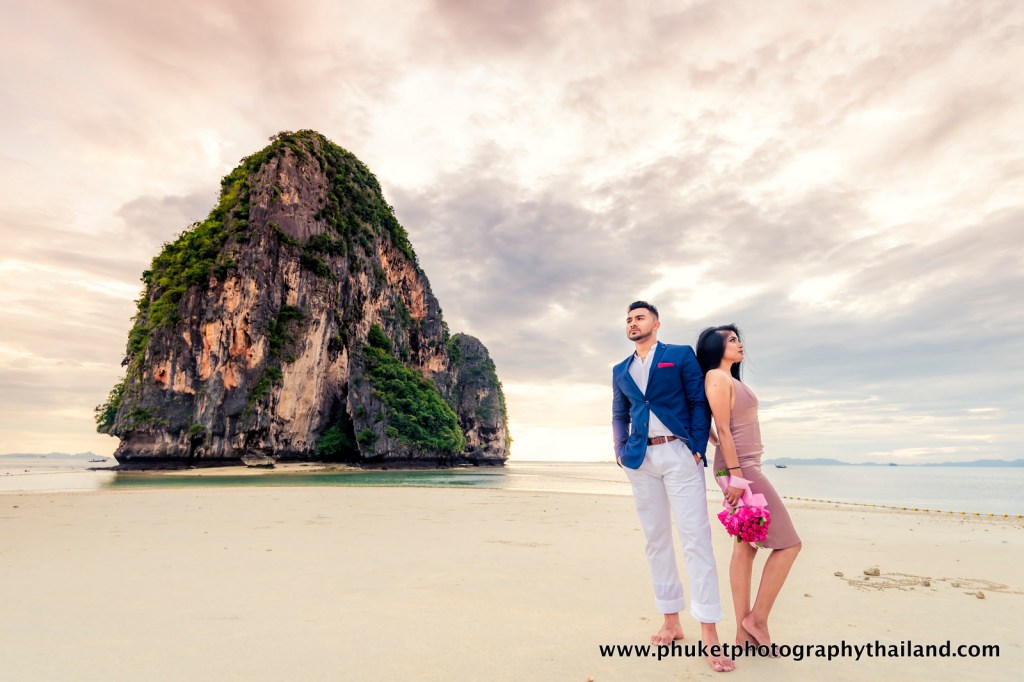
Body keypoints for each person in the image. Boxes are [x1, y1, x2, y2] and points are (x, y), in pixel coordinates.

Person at [613, 301, 735, 673]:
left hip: (680, 454)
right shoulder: (621, 369)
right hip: (641, 460)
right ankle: (671, 620)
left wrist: (697, 447)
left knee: (696, 539)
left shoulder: (679, 355)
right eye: (629, 319)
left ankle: (710, 632)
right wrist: (619, 449)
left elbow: (699, 403)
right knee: (656, 539)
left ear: (656, 323)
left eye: (640, 317)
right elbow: (619, 412)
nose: (633, 323)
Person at [697, 324, 801, 650]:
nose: (739, 343)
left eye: (738, 338)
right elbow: (724, 431)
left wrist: (726, 460)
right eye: (731, 340)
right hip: (741, 470)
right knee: (789, 545)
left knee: (746, 547)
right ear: (716, 347)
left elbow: (713, 429)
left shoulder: (730, 379)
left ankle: (744, 635)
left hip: (742, 467)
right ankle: (756, 619)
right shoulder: (717, 376)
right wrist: (737, 477)